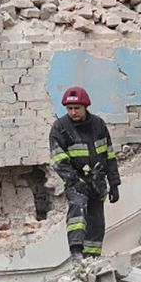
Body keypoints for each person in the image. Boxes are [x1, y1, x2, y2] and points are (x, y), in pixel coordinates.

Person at [48, 86, 119, 259]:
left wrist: (114, 184)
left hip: (97, 182)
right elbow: (58, 160)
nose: (73, 112)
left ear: (85, 106)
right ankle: (76, 253)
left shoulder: (98, 125)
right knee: (77, 213)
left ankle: (92, 260)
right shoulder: (60, 127)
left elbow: (109, 155)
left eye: (77, 108)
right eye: (69, 109)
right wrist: (74, 180)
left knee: (96, 223)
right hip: (76, 183)